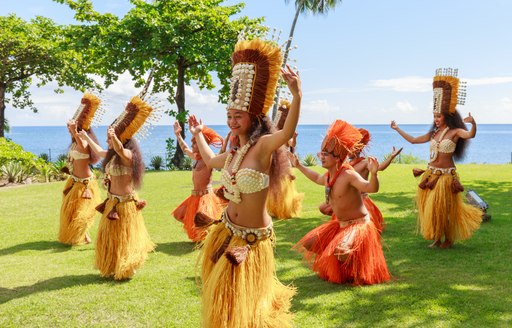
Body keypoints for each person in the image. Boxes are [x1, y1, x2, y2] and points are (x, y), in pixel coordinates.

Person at [188, 37, 300, 328]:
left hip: (252, 239)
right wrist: (198, 132)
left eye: (238, 116)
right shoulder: (234, 152)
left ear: (253, 117)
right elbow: (211, 160)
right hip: (226, 229)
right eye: (229, 116)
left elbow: (286, 133)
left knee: (247, 306)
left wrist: (296, 95)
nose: (232, 121)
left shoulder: (263, 146)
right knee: (225, 300)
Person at [390, 68, 482, 249]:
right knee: (431, 210)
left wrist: (474, 123)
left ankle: (448, 239)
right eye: (434, 116)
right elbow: (415, 141)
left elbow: (470, 135)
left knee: (444, 210)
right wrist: (397, 129)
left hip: (446, 177)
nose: (436, 119)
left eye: (438, 116)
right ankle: (437, 238)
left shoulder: (456, 132)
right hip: (430, 175)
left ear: (446, 115)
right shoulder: (434, 133)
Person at [290, 120, 390, 285]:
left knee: (342, 251)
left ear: (337, 159)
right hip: (340, 224)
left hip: (358, 225)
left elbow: (371, 188)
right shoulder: (330, 175)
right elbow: (316, 178)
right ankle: (340, 267)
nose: (321, 157)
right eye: (321, 153)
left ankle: (357, 268)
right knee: (309, 243)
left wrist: (374, 174)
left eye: (325, 154)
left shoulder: (349, 174)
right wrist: (299, 165)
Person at [79, 95, 157, 280]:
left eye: (110, 137)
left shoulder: (128, 154)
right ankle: (111, 265)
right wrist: (84, 137)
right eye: (107, 137)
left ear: (122, 137)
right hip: (111, 204)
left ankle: (127, 266)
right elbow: (98, 152)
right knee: (110, 238)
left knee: (125, 237)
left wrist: (114, 137)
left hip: (125, 206)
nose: (108, 140)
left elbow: (121, 150)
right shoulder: (112, 155)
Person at [58, 93, 102, 246]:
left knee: (82, 212)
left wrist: (74, 130)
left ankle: (83, 234)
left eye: (74, 129)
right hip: (74, 182)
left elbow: (82, 146)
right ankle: (84, 235)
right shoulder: (74, 143)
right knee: (70, 210)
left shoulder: (83, 142)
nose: (71, 131)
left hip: (85, 184)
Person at [172, 121, 225, 242]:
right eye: (193, 142)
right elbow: (185, 148)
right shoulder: (195, 157)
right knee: (179, 215)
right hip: (194, 196)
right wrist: (178, 135)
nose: (192, 145)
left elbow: (216, 157)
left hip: (206, 197)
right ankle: (204, 237)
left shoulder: (209, 159)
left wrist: (198, 134)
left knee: (204, 220)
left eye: (195, 143)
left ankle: (210, 238)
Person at [348, 128, 403, 233]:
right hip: (350, 200)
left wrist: (391, 157)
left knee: (364, 229)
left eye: (351, 148)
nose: (348, 151)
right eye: (348, 148)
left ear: (359, 149)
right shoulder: (347, 164)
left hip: (361, 201)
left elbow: (380, 167)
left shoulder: (365, 162)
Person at [266, 98, 304, 220]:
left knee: (285, 185)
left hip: (285, 162)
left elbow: (292, 144)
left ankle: (284, 209)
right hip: (276, 162)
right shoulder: (276, 134)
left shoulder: (285, 135)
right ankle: (273, 209)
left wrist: (295, 138)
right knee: (275, 186)